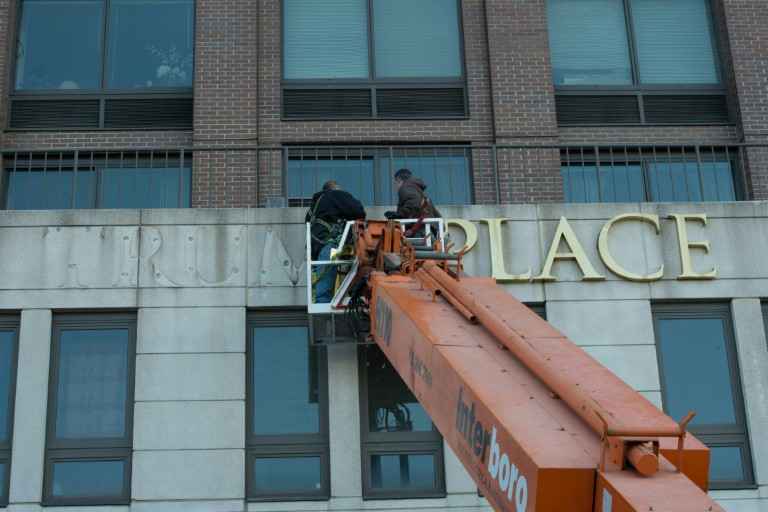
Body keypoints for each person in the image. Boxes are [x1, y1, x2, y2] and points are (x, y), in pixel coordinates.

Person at [306, 180, 366, 303]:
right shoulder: (334, 195)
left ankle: (349, 291)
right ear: (334, 188)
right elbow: (359, 211)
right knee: (359, 260)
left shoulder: (314, 205)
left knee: (324, 284)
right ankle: (355, 292)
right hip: (332, 248)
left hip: (318, 249)